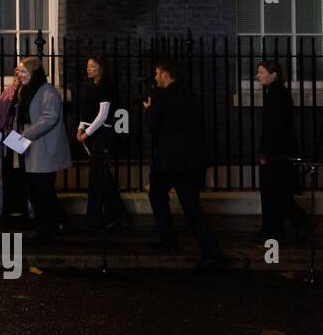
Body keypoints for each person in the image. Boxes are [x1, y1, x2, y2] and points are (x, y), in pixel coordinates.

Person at [144, 58, 224, 270]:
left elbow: (153, 126)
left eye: (157, 73)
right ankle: (211, 251)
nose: (155, 77)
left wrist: (149, 109)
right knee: (192, 206)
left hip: (169, 160)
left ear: (166, 74)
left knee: (157, 195)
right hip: (193, 159)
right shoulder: (191, 95)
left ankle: (168, 241)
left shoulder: (161, 96)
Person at [13, 56, 72, 241]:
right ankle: (51, 223)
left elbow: (49, 117)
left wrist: (27, 133)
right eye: (20, 71)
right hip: (32, 148)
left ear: (34, 73)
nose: (20, 75)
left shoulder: (48, 92)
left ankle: (49, 227)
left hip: (44, 148)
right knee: (36, 189)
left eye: (24, 71)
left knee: (43, 190)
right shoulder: (26, 90)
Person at [255, 59, 311, 244]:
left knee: (274, 192)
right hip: (280, 152)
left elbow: (275, 128)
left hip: (276, 154)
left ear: (274, 75)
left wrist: (266, 154)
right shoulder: (278, 93)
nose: (258, 76)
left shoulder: (276, 94)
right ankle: (279, 229)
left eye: (262, 72)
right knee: (278, 193)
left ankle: (284, 228)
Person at [76, 56, 127, 231]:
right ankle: (116, 213)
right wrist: (80, 127)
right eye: (87, 66)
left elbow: (103, 115)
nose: (88, 69)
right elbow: (86, 110)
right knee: (103, 176)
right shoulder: (91, 86)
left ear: (101, 68)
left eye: (92, 66)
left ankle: (95, 217)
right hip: (92, 135)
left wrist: (86, 133)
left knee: (97, 177)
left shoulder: (105, 86)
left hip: (102, 135)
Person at [0, 64, 28, 221]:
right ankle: (9, 208)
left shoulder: (26, 92)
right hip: (7, 137)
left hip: (20, 137)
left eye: (21, 72)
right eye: (16, 72)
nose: (18, 75)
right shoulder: (8, 91)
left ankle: (22, 208)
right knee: (8, 173)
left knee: (21, 173)